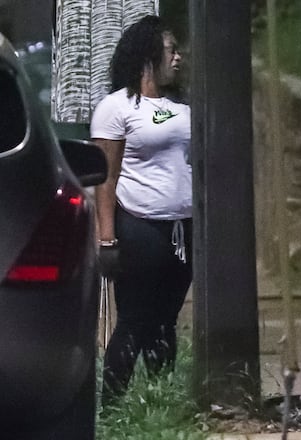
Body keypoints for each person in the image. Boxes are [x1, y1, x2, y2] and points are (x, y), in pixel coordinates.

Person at [90, 15, 191, 403]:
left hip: (184, 230)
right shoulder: (116, 107)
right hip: (138, 228)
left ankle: (159, 402)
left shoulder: (183, 104)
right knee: (134, 318)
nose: (178, 58)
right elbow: (105, 177)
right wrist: (107, 237)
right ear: (149, 55)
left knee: (165, 321)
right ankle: (114, 405)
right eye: (171, 50)